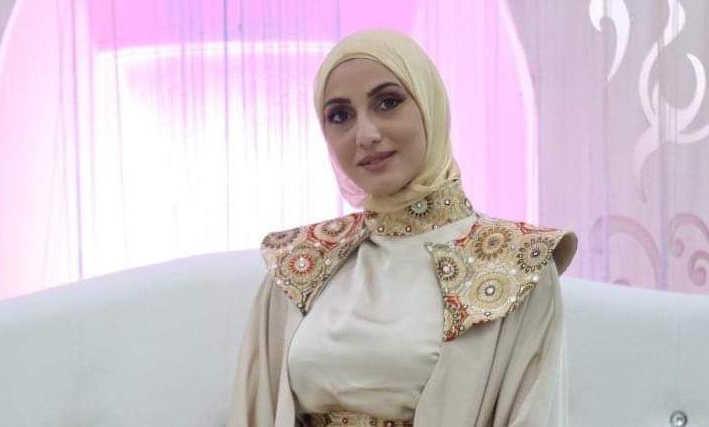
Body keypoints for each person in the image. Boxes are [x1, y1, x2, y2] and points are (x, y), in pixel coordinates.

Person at [227, 29, 577, 427]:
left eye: (388, 102)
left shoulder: (514, 264)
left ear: (430, 105)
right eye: (340, 115)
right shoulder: (301, 262)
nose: (366, 135)